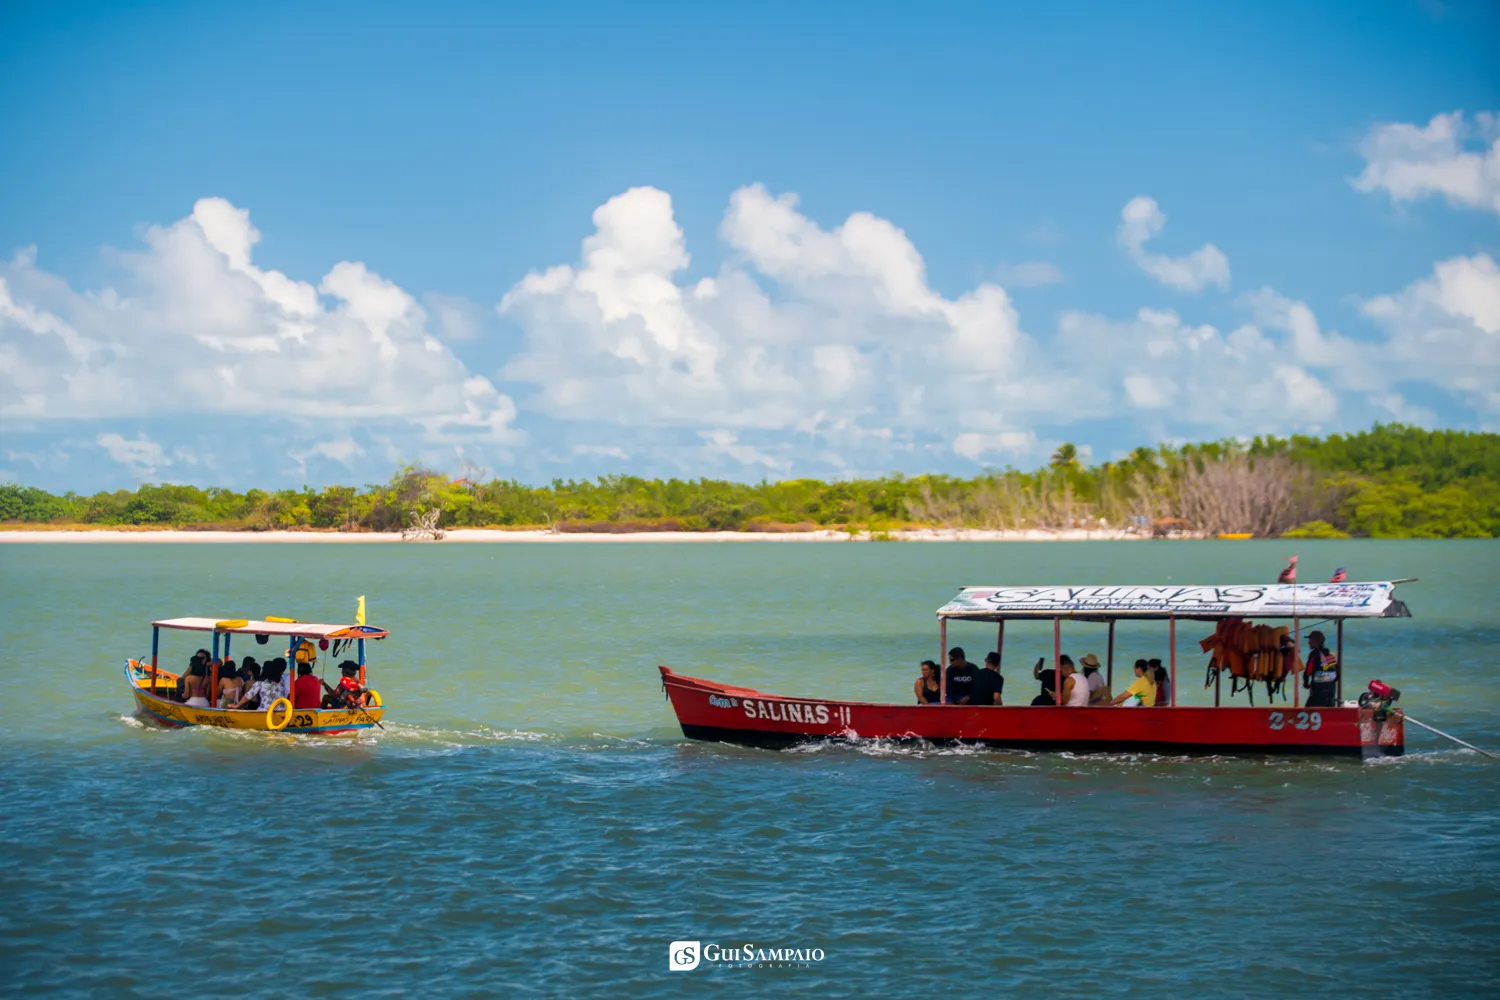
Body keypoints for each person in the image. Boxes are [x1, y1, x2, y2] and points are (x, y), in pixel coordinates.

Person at [1302, 630, 1340, 707]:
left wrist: (1306, 682)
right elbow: (1338, 674)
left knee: (1308, 713)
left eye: (1310, 640)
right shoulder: (1331, 653)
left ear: (1316, 642)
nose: (1309, 642)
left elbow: (1308, 671)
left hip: (1318, 694)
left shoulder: (1314, 654)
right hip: (1331, 693)